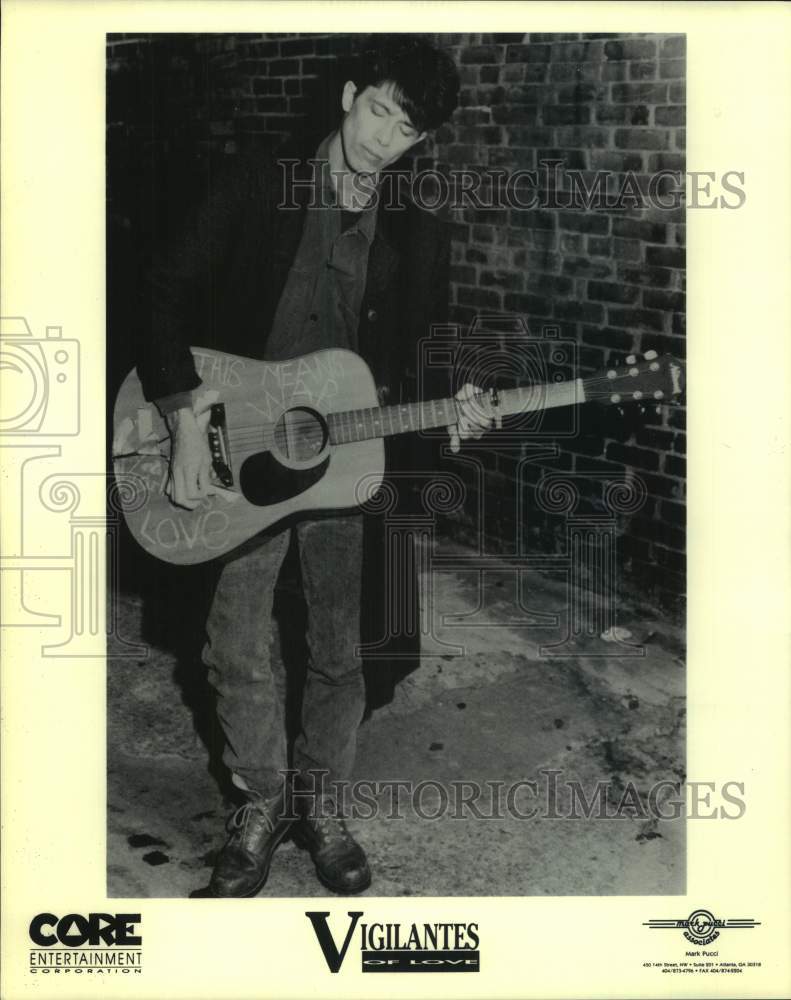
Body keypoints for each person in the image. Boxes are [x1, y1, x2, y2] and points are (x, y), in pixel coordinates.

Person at [136, 35, 490, 898]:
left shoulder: (416, 232)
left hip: (341, 467)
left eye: (404, 130)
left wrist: (460, 403)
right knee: (236, 646)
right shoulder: (258, 184)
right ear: (345, 96)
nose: (381, 140)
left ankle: (319, 803)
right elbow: (160, 292)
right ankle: (260, 802)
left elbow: (419, 357)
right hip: (233, 448)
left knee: (341, 649)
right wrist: (185, 419)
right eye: (376, 111)